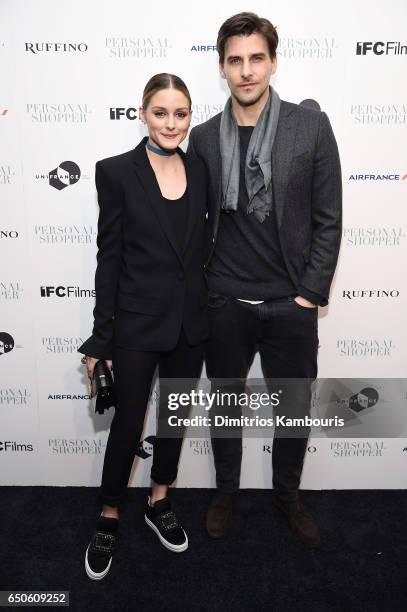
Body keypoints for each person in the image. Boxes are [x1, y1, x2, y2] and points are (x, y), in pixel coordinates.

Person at [187, 12, 342, 545]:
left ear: (273, 62)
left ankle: (287, 499)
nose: (247, 71)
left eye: (257, 58)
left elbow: (329, 218)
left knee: (293, 408)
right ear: (222, 68)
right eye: (236, 60)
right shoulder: (204, 138)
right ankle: (226, 493)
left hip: (290, 303)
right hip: (225, 298)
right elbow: (192, 221)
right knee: (225, 405)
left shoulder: (310, 126)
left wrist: (308, 295)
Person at [78, 73, 208, 580]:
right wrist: (100, 338)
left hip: (190, 326)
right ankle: (109, 514)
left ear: (189, 116)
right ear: (142, 113)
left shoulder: (202, 169)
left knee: (173, 420)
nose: (171, 123)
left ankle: (159, 501)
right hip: (134, 325)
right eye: (161, 113)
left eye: (181, 114)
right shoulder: (114, 172)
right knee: (127, 426)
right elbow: (108, 259)